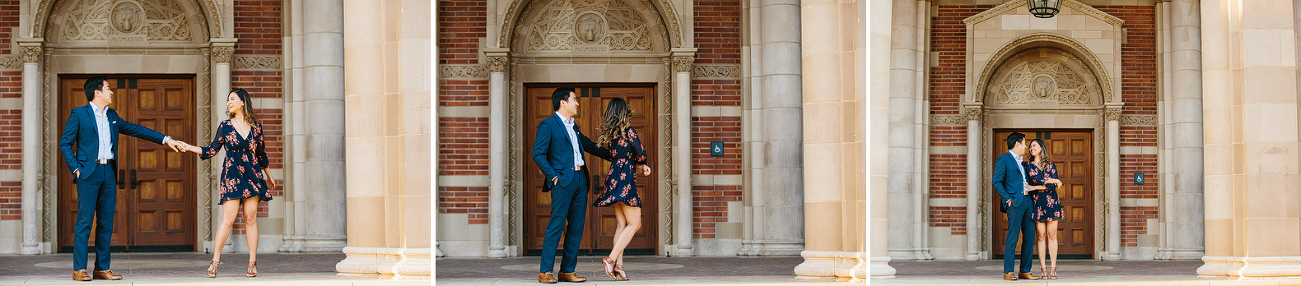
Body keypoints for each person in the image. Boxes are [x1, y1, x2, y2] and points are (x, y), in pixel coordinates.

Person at [59, 76, 189, 281]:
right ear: (97, 92)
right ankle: (79, 269)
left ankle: (102, 268)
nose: (112, 92)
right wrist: (76, 169)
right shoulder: (79, 114)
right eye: (108, 88)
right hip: (88, 173)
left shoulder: (112, 115)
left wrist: (167, 139)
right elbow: (65, 143)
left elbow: (137, 130)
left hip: (109, 173)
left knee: (106, 223)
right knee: (84, 221)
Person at [180, 88, 277, 278]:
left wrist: (269, 175)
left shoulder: (256, 127)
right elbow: (212, 150)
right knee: (228, 220)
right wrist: (189, 147)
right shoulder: (225, 126)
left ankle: (252, 263)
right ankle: (215, 261)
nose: (228, 102)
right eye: (227, 100)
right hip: (232, 177)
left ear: (243, 102)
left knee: (250, 218)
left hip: (253, 175)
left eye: (232, 99)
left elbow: (261, 154)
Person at [531, 87, 603, 283]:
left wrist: (617, 155)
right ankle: (545, 271)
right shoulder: (549, 124)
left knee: (576, 227)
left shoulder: (574, 126)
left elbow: (588, 145)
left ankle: (567, 271)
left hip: (581, 180)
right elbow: (537, 154)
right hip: (562, 181)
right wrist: (553, 176)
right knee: (556, 225)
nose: (577, 103)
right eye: (574, 100)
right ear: (563, 102)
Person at [588, 98, 651, 281]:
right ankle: (611, 259)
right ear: (625, 113)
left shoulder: (612, 136)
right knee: (635, 224)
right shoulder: (629, 131)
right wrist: (644, 164)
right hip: (626, 183)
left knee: (621, 225)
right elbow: (640, 153)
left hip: (614, 179)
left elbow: (623, 158)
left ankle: (619, 267)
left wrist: (641, 167)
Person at [992, 132, 1038, 281]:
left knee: (1030, 237)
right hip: (1014, 203)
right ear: (1017, 144)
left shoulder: (1023, 163)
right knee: (1013, 237)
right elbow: (996, 182)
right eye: (1024, 143)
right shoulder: (1003, 159)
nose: (1026, 146)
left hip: (1027, 202)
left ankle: (1025, 270)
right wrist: (1007, 199)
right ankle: (1008, 271)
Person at [1024, 139, 1063, 280]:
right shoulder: (1028, 165)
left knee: (1052, 235)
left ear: (1041, 147)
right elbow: (1038, 179)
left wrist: (1034, 187)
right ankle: (1043, 270)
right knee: (1040, 236)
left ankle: (1053, 268)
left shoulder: (1051, 165)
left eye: (1034, 145)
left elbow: (1051, 187)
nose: (1031, 148)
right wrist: (1054, 180)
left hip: (1052, 203)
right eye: (1029, 147)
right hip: (1037, 204)